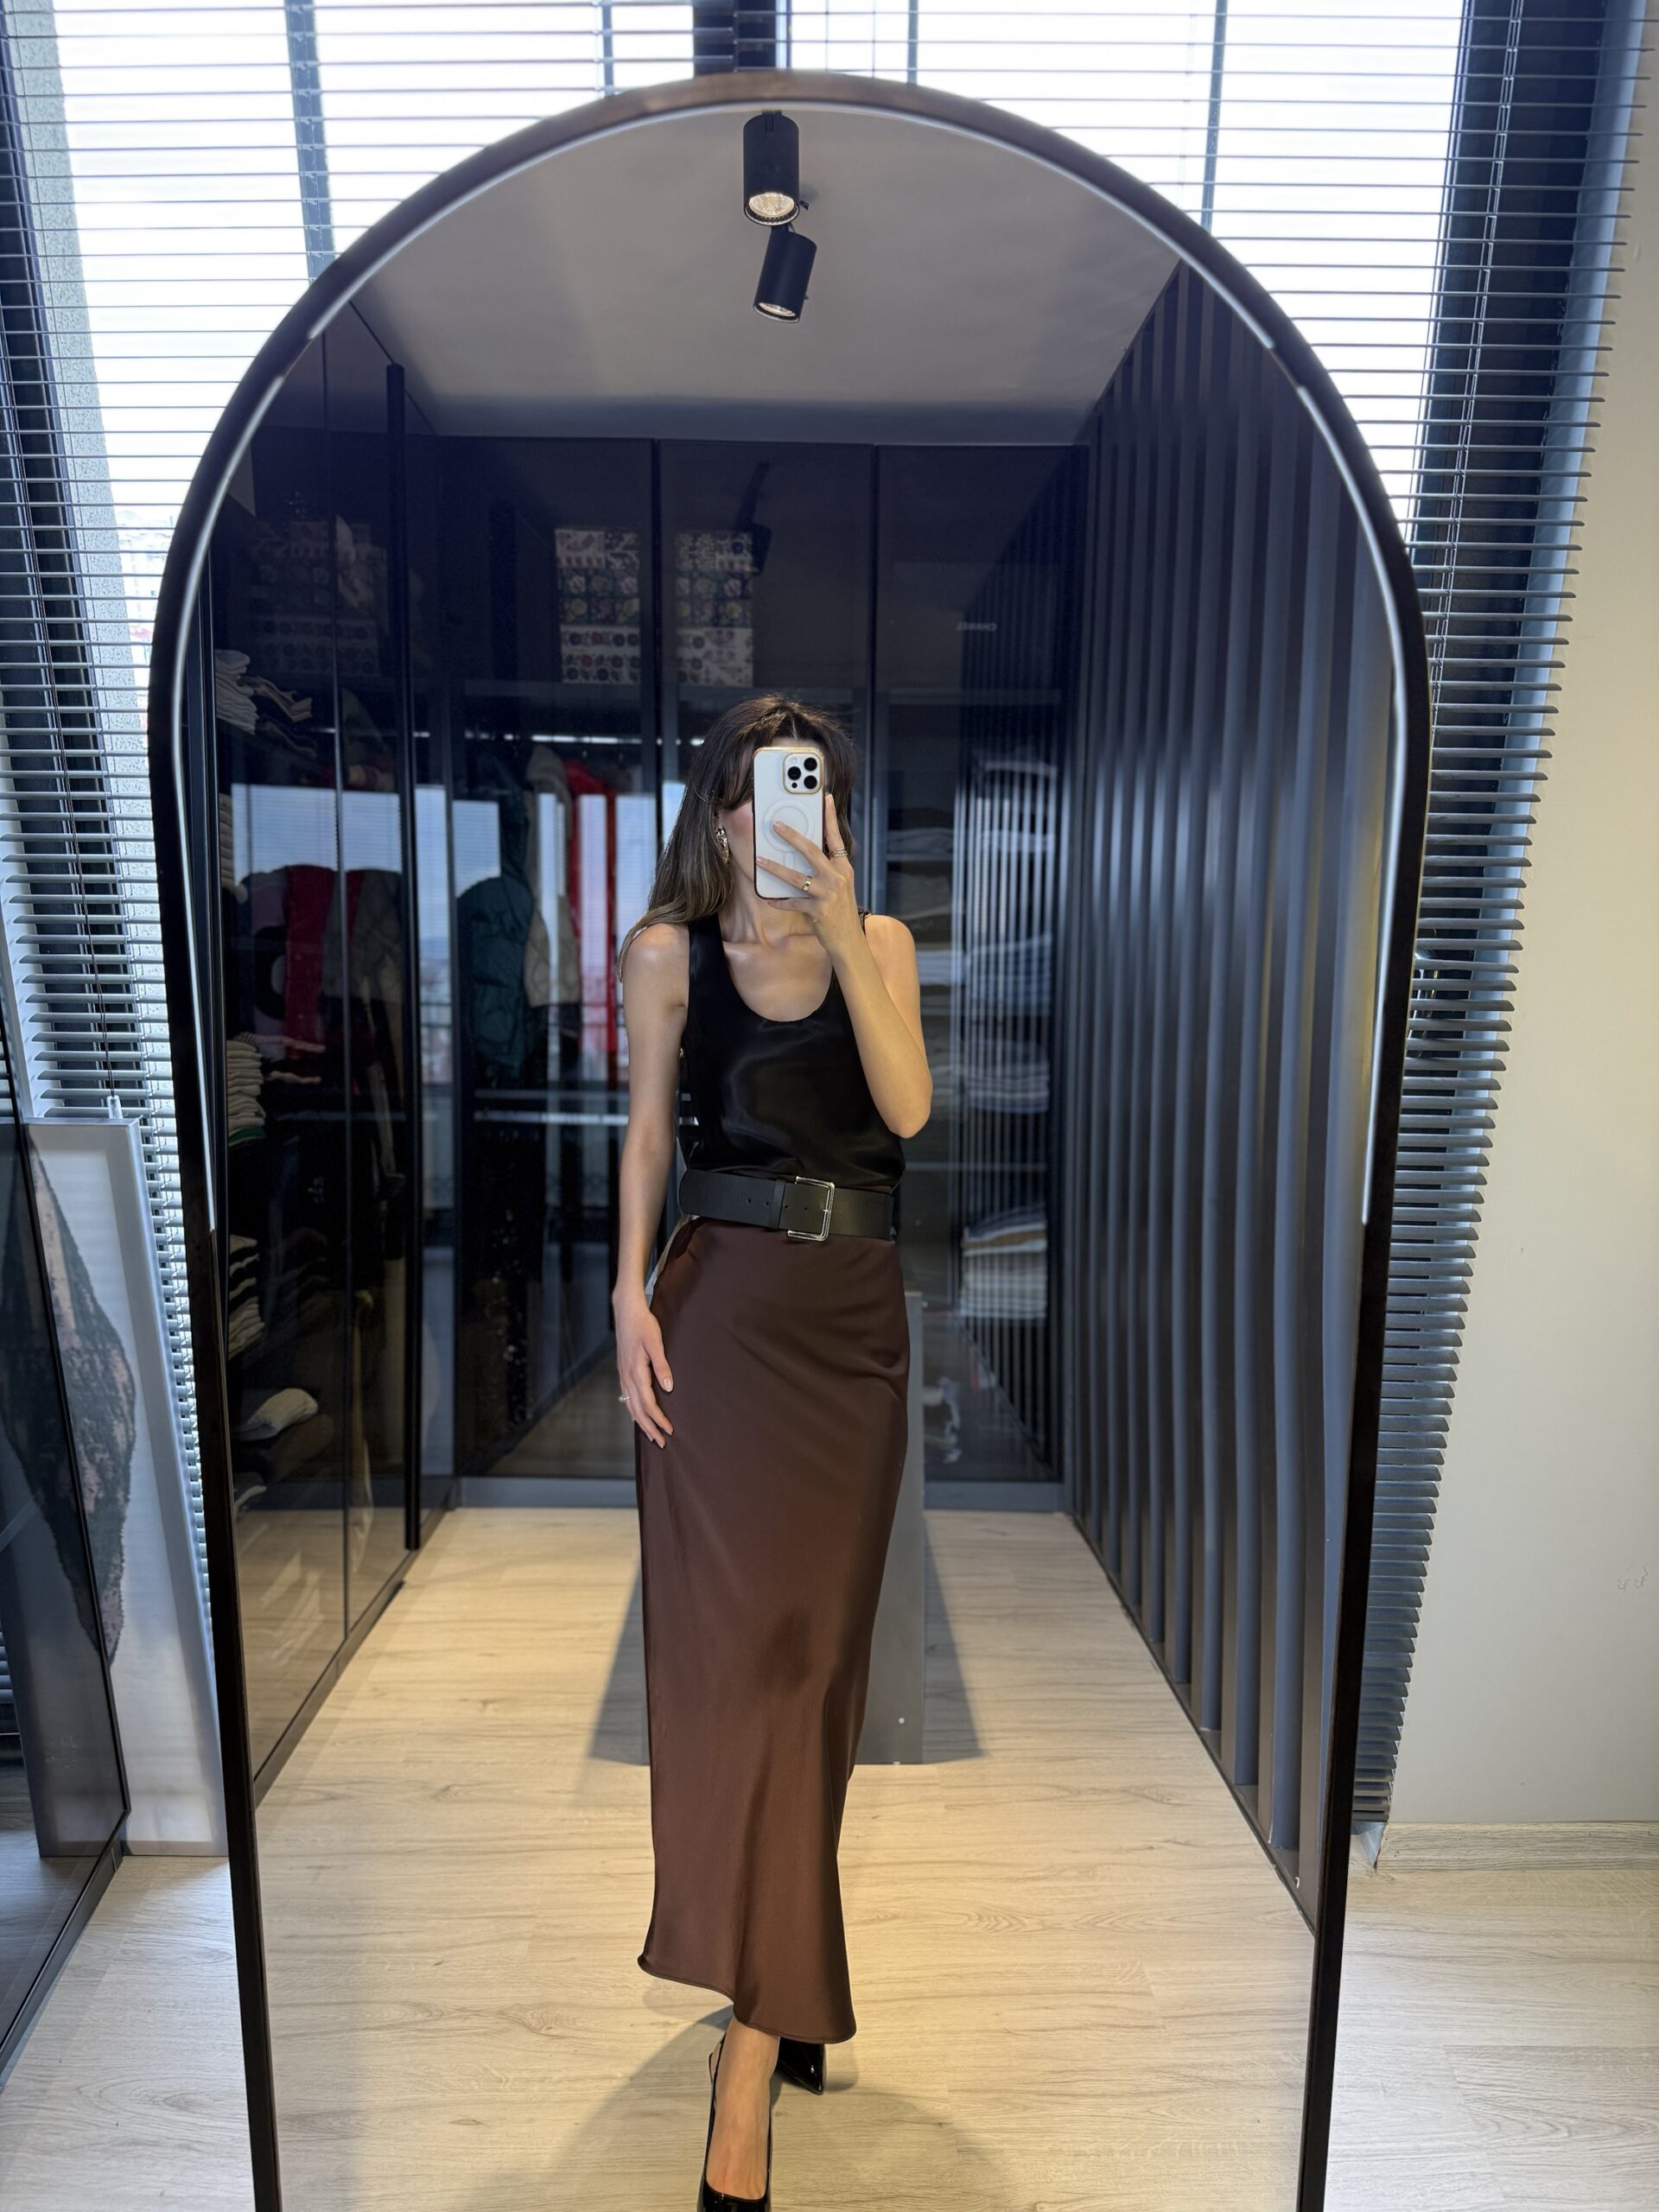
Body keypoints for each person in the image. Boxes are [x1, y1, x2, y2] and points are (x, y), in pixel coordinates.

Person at [613, 693, 931, 2209]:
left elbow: (907, 1110)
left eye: (804, 791)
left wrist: (850, 930)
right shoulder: (667, 952)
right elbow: (647, 1137)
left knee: (815, 1678)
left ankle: (763, 2027)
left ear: (834, 810)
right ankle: (762, 2044)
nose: (774, 818)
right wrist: (625, 1297)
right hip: (719, 1325)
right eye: (750, 794)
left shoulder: (884, 946)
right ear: (716, 812)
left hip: (849, 1335)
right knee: (738, 1683)